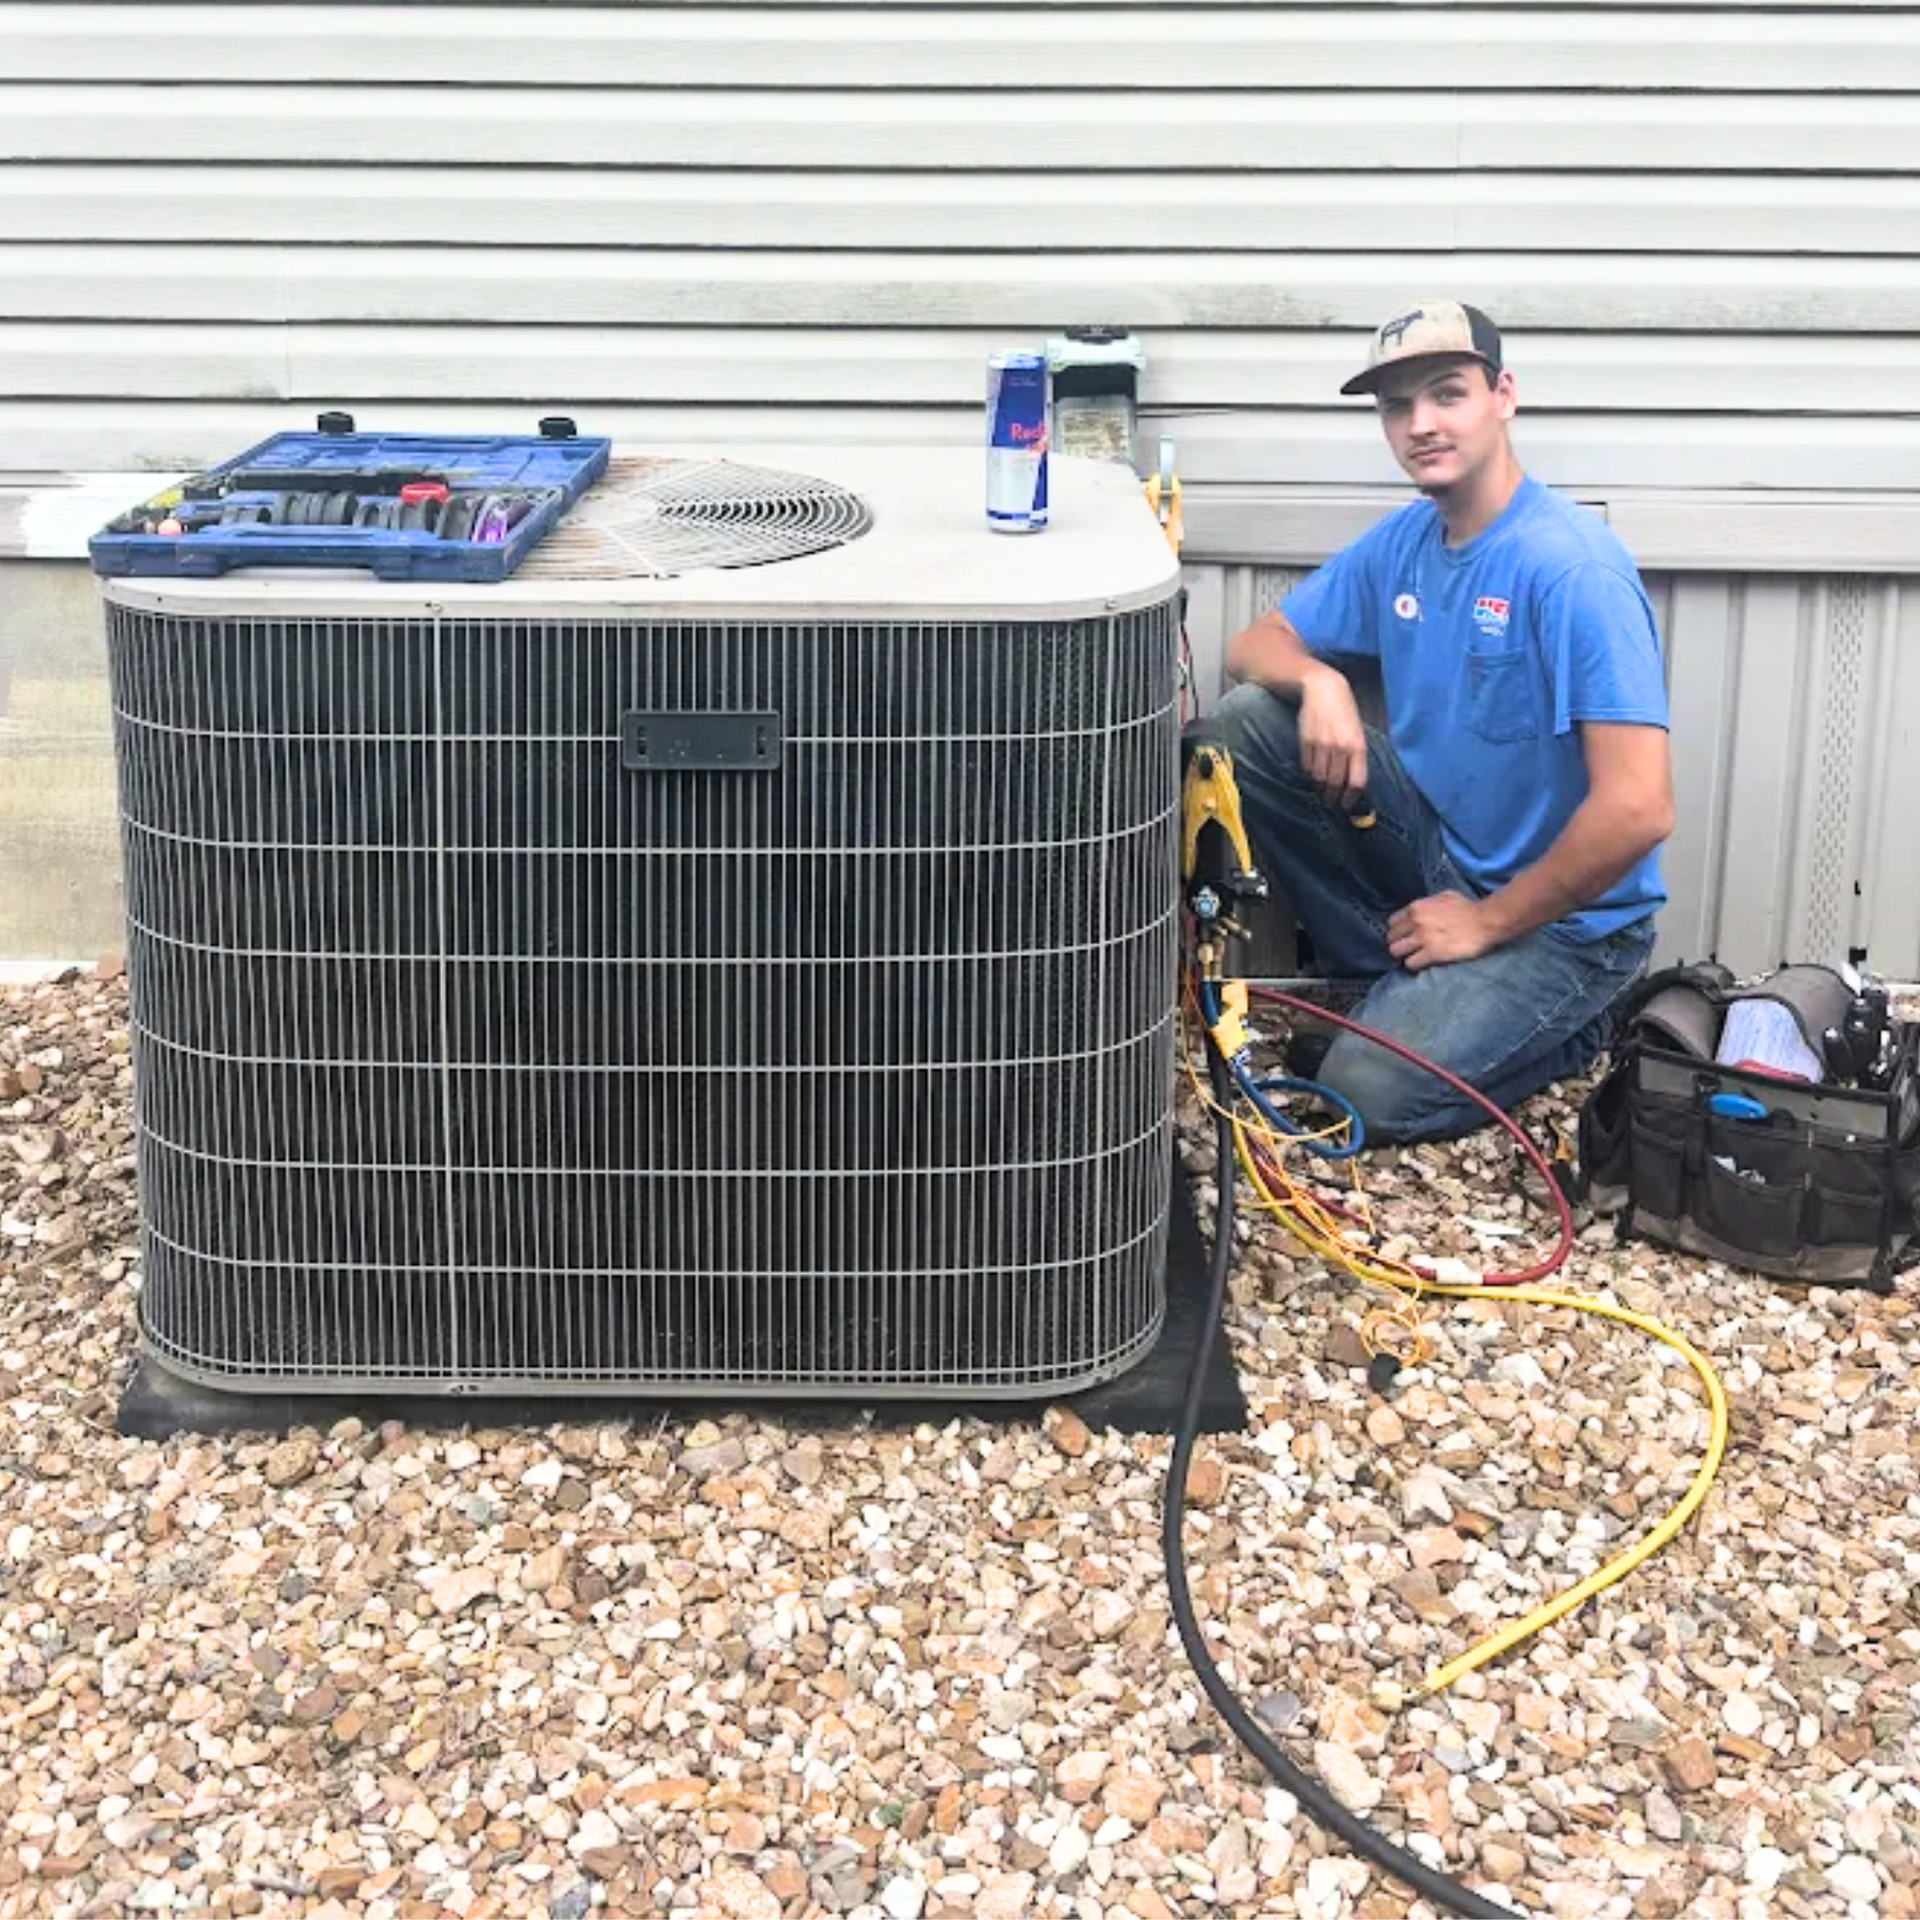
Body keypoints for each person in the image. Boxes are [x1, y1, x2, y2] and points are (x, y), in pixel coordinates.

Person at [1208, 299, 1675, 1142]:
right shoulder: (1407, 543)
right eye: (1397, 406)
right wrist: (1321, 681)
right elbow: (1252, 646)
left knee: (1360, 1094)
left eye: (1447, 394)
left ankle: (1578, 1026)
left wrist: (1486, 924)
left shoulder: (1571, 570)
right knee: (1248, 724)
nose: (1421, 423)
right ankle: (1399, 985)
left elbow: (1639, 808)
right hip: (1442, 856)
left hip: (1571, 926)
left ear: (1503, 395)